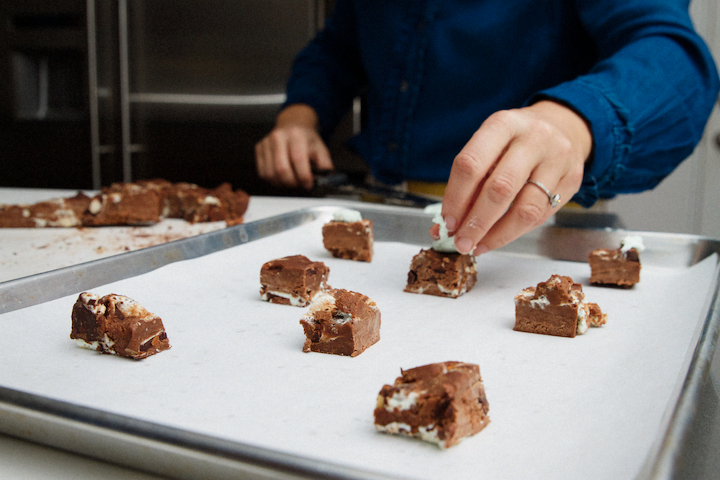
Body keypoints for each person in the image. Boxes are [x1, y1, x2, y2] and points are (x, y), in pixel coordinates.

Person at [255, 0, 719, 255]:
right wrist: (300, 115)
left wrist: (574, 121)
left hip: (533, 220)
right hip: (381, 206)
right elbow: (338, 47)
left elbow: (673, 54)